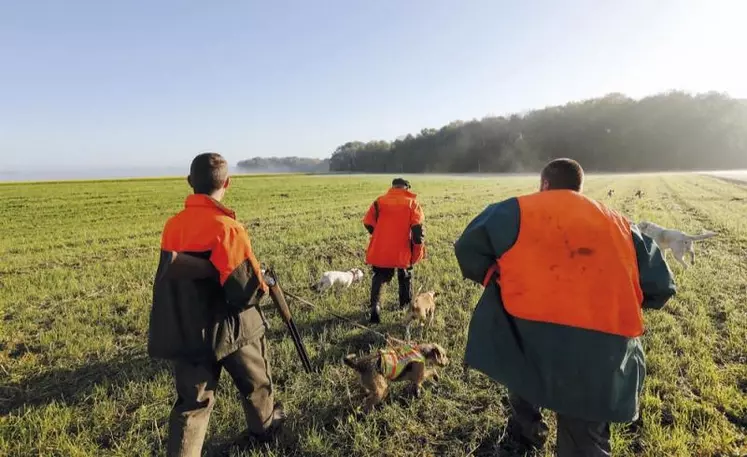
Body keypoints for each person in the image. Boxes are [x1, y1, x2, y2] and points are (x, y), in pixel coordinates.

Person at [454, 158, 676, 456]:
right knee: (584, 438)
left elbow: (467, 248)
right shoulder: (623, 225)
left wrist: (494, 276)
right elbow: (661, 287)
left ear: (545, 184)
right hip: (600, 349)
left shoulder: (513, 210)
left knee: (519, 367)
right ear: (579, 188)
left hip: (527, 333)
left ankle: (526, 432)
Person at [148, 152, 285, 457]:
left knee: (191, 404)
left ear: (189, 183)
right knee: (256, 384)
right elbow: (245, 293)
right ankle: (264, 430)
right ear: (228, 183)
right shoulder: (228, 228)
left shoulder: (173, 226)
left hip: (188, 329)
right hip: (232, 329)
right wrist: (262, 282)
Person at [362, 178, 426, 324]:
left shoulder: (379, 202)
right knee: (405, 275)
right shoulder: (412, 203)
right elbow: (417, 230)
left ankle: (375, 308)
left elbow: (368, 222)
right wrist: (416, 246)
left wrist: (379, 234)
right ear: (407, 188)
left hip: (382, 247)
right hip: (403, 248)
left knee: (380, 276)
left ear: (393, 187)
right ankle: (404, 304)